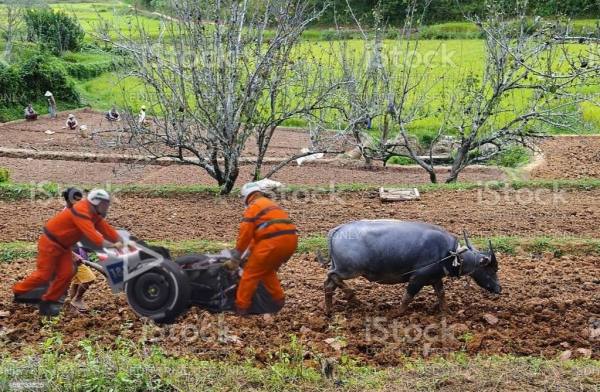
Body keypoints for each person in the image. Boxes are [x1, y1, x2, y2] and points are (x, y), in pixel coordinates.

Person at [13, 189, 124, 316]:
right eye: (76, 199)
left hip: (70, 249)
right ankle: (22, 292)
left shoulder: (89, 213)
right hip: (56, 247)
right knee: (53, 275)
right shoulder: (77, 213)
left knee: (69, 275)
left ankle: (59, 303)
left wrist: (118, 241)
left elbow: (100, 230)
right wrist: (109, 245)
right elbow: (91, 236)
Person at [227, 182, 298, 315]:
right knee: (265, 269)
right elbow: (260, 235)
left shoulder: (253, 206)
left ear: (247, 197)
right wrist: (248, 254)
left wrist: (236, 257)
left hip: (273, 242)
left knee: (250, 273)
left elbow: (245, 234)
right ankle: (278, 300)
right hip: (290, 241)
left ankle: (240, 308)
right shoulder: (269, 204)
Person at [61, 188, 96, 313]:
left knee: (77, 282)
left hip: (77, 252)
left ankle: (71, 307)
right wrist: (73, 255)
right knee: (89, 279)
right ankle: (77, 300)